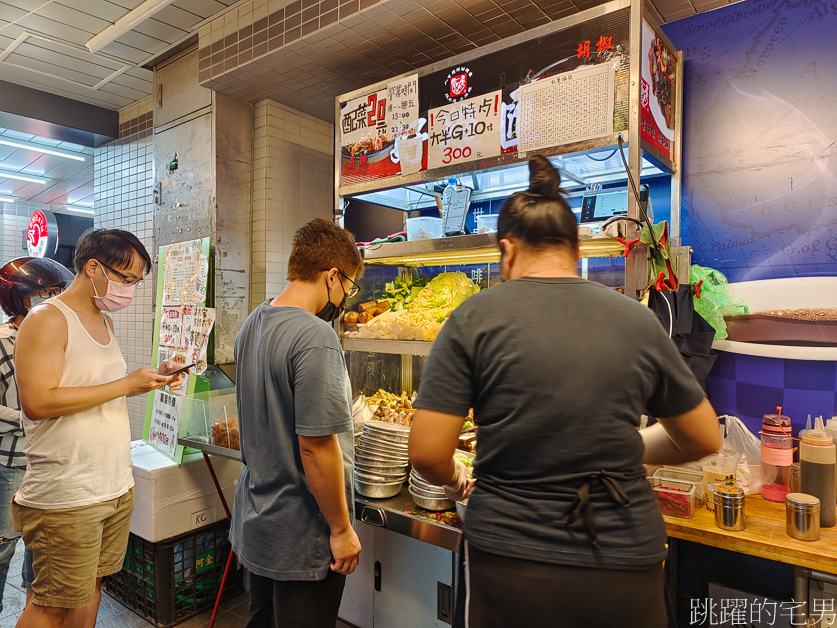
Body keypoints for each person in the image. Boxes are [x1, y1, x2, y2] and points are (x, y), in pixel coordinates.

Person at [408, 156, 721, 628]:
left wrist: (456, 479)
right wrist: (625, 445)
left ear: (508, 250)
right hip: (622, 566)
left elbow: (428, 453)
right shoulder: (634, 319)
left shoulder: (473, 318)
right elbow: (702, 439)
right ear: (575, 252)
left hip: (510, 564)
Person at [12, 229, 185, 628]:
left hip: (113, 484)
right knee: (50, 604)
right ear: (93, 267)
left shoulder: (103, 321)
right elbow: (37, 402)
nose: (130, 291)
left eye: (135, 283)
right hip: (67, 494)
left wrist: (155, 377)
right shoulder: (47, 319)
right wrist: (127, 384)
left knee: (92, 586)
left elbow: (93, 388)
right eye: (127, 280)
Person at [231, 217, 364, 628]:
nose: (346, 298)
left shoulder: (255, 321)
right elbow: (316, 445)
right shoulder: (315, 336)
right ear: (332, 276)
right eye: (349, 286)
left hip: (258, 522)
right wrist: (341, 530)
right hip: (301, 532)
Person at [0, 257, 75, 613]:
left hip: (50, 460)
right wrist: (30, 414)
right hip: (12, 461)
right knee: (3, 545)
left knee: (41, 545)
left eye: (58, 293)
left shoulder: (60, 335)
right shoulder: (3, 341)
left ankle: (37, 607)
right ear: (19, 299)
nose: (54, 301)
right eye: (45, 295)